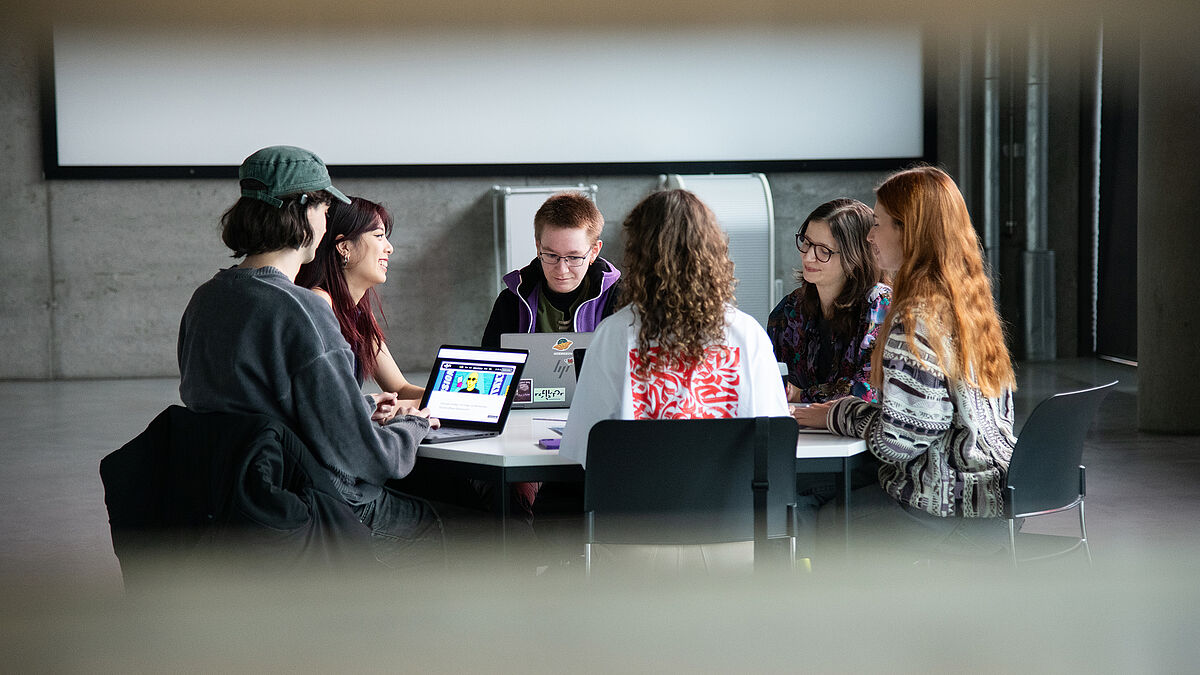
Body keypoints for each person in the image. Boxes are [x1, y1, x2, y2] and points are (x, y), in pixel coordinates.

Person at [177, 145, 443, 569]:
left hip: (235, 506)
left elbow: (258, 409)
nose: (324, 222)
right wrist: (414, 423)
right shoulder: (302, 308)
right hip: (320, 504)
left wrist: (361, 405)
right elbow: (370, 458)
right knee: (444, 525)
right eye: (323, 207)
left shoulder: (206, 299)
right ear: (302, 211)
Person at [793, 166, 1018, 559]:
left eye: (877, 224)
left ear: (907, 232)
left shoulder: (916, 317)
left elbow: (900, 440)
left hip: (946, 506)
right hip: (992, 496)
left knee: (814, 515)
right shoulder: (967, 302)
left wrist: (837, 414)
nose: (869, 236)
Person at [560, 189, 789, 469]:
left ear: (637, 255)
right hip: (733, 508)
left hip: (636, 507)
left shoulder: (614, 335)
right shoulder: (747, 334)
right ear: (713, 251)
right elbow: (778, 443)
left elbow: (585, 450)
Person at [296, 196, 424, 418]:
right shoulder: (319, 303)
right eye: (379, 236)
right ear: (344, 247)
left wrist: (451, 397)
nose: (389, 248)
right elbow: (329, 405)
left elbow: (400, 388)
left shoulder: (359, 313)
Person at [767, 198, 891, 405]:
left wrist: (800, 395)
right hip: (803, 432)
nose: (808, 257)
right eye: (806, 243)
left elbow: (868, 391)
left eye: (824, 251)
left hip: (856, 436)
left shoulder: (880, 303)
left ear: (855, 255)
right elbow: (767, 382)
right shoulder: (788, 310)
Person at [480, 191, 621, 348]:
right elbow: (490, 365)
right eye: (551, 255)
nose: (561, 270)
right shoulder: (511, 301)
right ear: (538, 247)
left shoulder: (619, 299)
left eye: (574, 258)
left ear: (594, 251)